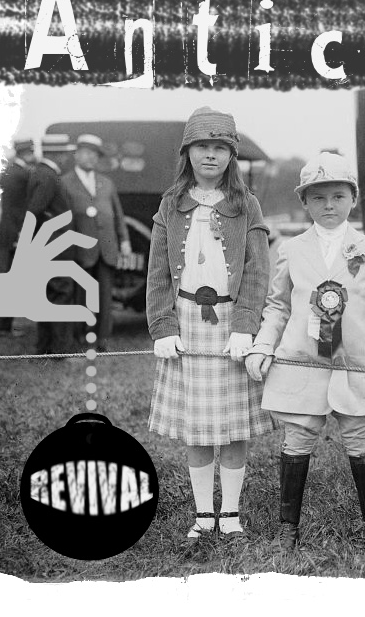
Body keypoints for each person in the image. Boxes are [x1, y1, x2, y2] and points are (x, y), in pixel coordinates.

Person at [244, 151, 365, 554]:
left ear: (353, 198)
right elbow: (278, 305)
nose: (329, 206)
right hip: (304, 362)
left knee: (359, 438)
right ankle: (288, 527)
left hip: (355, 363)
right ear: (305, 202)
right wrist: (264, 343)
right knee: (298, 437)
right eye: (318, 198)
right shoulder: (290, 249)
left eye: (338, 196)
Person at [147, 107, 273, 541]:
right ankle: (204, 515)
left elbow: (258, 271)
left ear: (231, 156)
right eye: (202, 146)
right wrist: (163, 327)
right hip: (186, 322)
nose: (211, 156)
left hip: (230, 327)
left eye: (221, 148)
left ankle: (231, 513)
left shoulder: (246, 205)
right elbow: (158, 273)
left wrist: (245, 326)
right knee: (198, 426)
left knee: (235, 426)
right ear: (187, 152)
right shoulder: (171, 204)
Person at [62, 134, 132, 351]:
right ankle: (81, 337)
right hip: (80, 250)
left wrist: (125, 241)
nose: (91, 158)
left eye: (95, 154)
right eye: (87, 153)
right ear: (76, 155)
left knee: (104, 295)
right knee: (81, 295)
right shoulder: (65, 182)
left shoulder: (106, 183)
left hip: (106, 247)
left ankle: (102, 339)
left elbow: (118, 215)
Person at [26, 143, 76, 355]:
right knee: (61, 294)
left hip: (48, 246)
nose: (67, 158)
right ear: (57, 154)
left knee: (49, 294)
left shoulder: (42, 173)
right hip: (55, 247)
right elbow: (35, 210)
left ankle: (46, 348)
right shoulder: (48, 176)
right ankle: (60, 350)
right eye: (64, 153)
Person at [0, 138, 35, 336]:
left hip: (7, 231)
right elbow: (20, 209)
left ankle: (3, 325)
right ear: (27, 153)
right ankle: (3, 327)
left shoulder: (10, 172)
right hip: (15, 232)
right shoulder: (21, 175)